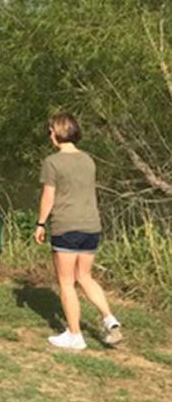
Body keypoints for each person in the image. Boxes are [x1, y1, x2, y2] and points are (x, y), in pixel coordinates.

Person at [34, 113, 122, 350]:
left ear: (57, 133)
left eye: (51, 131)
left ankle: (75, 335)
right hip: (91, 226)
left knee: (66, 282)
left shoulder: (53, 162)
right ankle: (109, 318)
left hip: (67, 226)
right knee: (84, 276)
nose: (50, 135)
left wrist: (40, 224)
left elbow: (48, 197)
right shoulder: (88, 160)